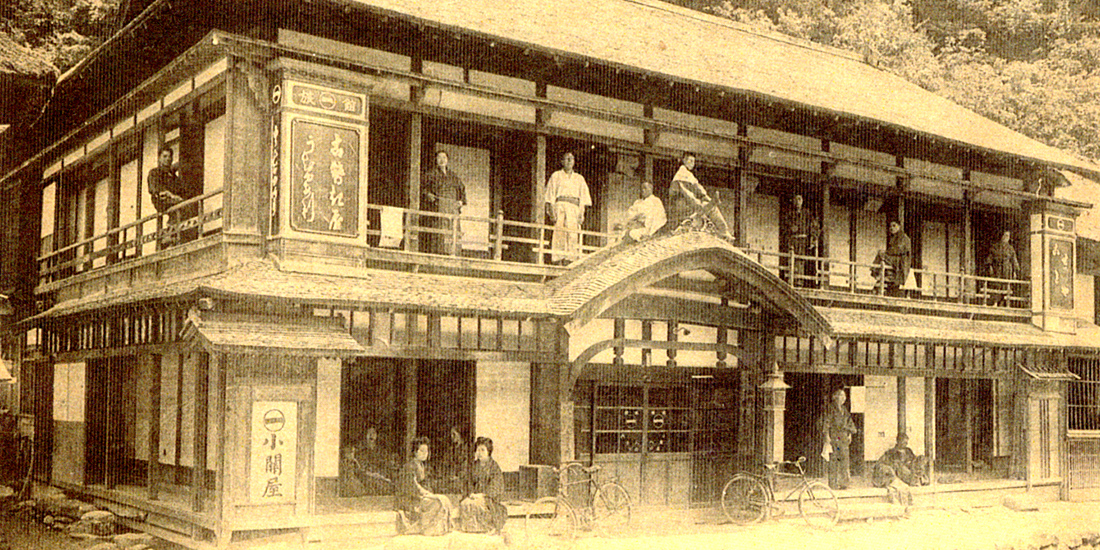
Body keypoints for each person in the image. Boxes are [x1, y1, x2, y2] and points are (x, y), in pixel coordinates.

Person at [666, 152, 734, 240]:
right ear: (684, 160)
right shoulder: (682, 174)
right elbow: (688, 194)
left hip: (687, 203)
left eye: (693, 161)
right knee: (711, 208)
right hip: (683, 205)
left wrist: (707, 199)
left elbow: (698, 190)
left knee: (709, 206)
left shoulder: (686, 174)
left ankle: (724, 231)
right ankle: (723, 231)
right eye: (690, 160)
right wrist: (699, 204)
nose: (692, 163)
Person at [396, 437, 454, 536]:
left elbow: (426, 484)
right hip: (411, 498)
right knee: (437, 502)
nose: (425, 454)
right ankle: (426, 528)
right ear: (415, 452)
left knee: (443, 499)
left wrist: (430, 493)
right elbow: (412, 486)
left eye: (426, 451)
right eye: (421, 451)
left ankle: (434, 528)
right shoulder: (409, 466)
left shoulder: (422, 466)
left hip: (420, 495)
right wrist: (426, 494)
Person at [544, 151, 591, 264]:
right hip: (560, 207)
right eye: (567, 159)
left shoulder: (579, 178)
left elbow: (583, 199)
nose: (569, 161)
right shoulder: (556, 176)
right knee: (559, 235)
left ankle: (570, 261)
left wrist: (581, 213)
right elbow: (550, 196)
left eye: (572, 159)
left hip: (574, 209)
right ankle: (558, 260)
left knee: (572, 235)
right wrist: (552, 213)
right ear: (562, 161)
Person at [147, 146, 197, 246]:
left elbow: (182, 190)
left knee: (189, 206)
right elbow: (155, 188)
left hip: (175, 200)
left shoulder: (173, 176)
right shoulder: (154, 172)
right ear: (159, 158)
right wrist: (170, 195)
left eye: (169, 156)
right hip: (161, 199)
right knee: (180, 207)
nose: (168, 159)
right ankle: (169, 234)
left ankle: (181, 235)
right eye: (164, 156)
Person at [421, 149, 467, 255]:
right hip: (438, 207)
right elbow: (423, 189)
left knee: (453, 230)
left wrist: (461, 201)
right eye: (439, 157)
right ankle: (439, 253)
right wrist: (429, 195)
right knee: (439, 232)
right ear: (435, 160)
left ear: (447, 160)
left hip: (451, 208)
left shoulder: (453, 176)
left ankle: (454, 253)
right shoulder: (430, 174)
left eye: (444, 157)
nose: (442, 160)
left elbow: (462, 189)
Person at [458, 437, 507, 534]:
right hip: (473, 495)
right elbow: (468, 482)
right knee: (465, 503)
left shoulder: (494, 467)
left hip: (488, 498)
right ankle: (471, 528)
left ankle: (486, 527)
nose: (479, 453)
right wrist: (471, 493)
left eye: (482, 450)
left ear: (489, 452)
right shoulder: (473, 465)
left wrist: (482, 495)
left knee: (478, 504)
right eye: (478, 450)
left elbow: (495, 486)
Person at [820, 389, 857, 490]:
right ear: (835, 397)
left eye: (844, 396)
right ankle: (833, 483)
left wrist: (850, 434)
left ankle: (844, 483)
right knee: (834, 460)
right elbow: (826, 422)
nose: (843, 398)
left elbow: (849, 422)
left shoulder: (844, 409)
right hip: (834, 437)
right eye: (841, 396)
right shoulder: (830, 409)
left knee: (844, 460)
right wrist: (827, 436)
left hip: (843, 437)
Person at [781, 194, 820, 287]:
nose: (798, 202)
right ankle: (791, 279)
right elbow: (785, 227)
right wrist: (791, 228)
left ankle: (799, 281)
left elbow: (814, 226)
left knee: (801, 260)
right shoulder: (790, 214)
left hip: (802, 240)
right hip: (793, 239)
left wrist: (813, 239)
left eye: (799, 200)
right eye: (796, 200)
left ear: (802, 202)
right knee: (791, 258)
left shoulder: (807, 213)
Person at [873, 220, 911, 296]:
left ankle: (876, 273)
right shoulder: (894, 237)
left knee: (881, 254)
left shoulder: (903, 237)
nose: (892, 228)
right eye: (890, 226)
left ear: (899, 226)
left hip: (900, 260)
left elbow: (899, 250)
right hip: (895, 258)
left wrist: (887, 252)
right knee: (880, 253)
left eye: (894, 226)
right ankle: (878, 273)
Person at [983, 229, 1020, 306]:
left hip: (1007, 270)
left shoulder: (1010, 248)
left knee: (1005, 286)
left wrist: (1015, 271)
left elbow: (1014, 260)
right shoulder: (995, 247)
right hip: (997, 269)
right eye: (1005, 235)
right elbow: (990, 258)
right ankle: (995, 302)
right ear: (1002, 236)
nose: (1007, 238)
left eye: (1008, 236)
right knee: (997, 285)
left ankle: (1004, 303)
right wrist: (990, 267)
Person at [437, 426, 469, 494]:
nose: (452, 436)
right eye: (451, 434)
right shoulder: (451, 449)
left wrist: (458, 476)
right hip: (450, 478)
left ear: (460, 434)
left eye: (454, 434)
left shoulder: (465, 449)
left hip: (460, 480)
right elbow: (444, 463)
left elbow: (465, 467)